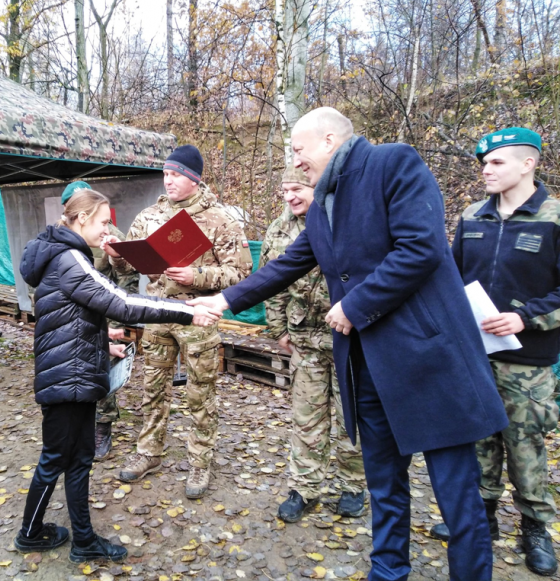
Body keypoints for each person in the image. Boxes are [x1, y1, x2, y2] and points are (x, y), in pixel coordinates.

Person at [189, 107, 509, 581]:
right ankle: (388, 571)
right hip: (367, 368)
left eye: (299, 150)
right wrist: (224, 299)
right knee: (384, 486)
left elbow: (420, 247)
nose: (296, 162)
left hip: (428, 363)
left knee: (456, 496)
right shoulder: (322, 205)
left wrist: (355, 306)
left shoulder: (393, 164)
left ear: (330, 139)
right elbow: (288, 264)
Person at [16, 188, 219, 562]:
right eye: (104, 221)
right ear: (81, 219)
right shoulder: (70, 258)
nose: (109, 229)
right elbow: (122, 302)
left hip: (72, 373)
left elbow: (68, 313)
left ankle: (83, 541)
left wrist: (98, 339)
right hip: (67, 379)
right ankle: (30, 534)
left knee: (77, 460)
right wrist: (186, 311)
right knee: (57, 459)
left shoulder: (62, 255)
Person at [427, 128, 558, 576]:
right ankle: (481, 517)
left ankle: (535, 526)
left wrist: (528, 317)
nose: (486, 169)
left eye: (497, 162)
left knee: (525, 446)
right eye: (483, 162)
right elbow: (452, 277)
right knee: (479, 438)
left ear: (529, 163)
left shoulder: (554, 217)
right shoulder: (472, 216)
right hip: (476, 353)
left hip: (529, 359)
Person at [103, 144, 253, 499]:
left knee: (201, 393)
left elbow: (243, 274)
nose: (168, 181)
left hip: (198, 317)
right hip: (156, 314)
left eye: (176, 175)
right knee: (153, 389)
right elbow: (131, 267)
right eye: (166, 174)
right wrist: (117, 255)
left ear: (193, 178)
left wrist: (196, 275)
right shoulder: (149, 216)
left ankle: (201, 461)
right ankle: (149, 453)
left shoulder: (220, 219)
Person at [261, 165, 366, 522]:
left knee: (351, 414)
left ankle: (353, 484)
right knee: (306, 418)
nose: (289, 197)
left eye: (297, 189)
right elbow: (270, 283)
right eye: (284, 190)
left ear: (315, 188)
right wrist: (278, 330)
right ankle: (304, 488)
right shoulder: (278, 230)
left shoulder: (344, 221)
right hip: (304, 339)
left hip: (349, 338)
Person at [60, 180, 140, 461]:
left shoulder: (111, 235)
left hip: (103, 313)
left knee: (102, 369)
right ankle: (76, 424)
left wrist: (117, 321)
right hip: (70, 316)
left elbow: (128, 277)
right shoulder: (58, 235)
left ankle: (102, 427)